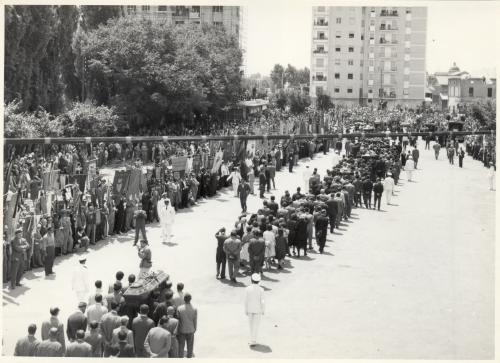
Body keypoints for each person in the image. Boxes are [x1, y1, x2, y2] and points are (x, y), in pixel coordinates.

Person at [244, 273, 265, 347]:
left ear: (251, 280)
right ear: (259, 281)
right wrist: (263, 310)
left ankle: (251, 340)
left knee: (251, 325)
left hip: (250, 309)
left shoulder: (247, 289)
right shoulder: (261, 289)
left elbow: (246, 300)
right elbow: (262, 301)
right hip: (258, 309)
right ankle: (254, 340)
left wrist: (245, 310)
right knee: (256, 325)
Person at [177, 293, 197, 358]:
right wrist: (195, 328)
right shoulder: (194, 309)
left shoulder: (179, 308)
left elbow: (178, 320)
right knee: (190, 347)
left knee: (181, 347)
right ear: (190, 299)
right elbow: (195, 320)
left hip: (182, 330)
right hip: (191, 330)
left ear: (184, 299)